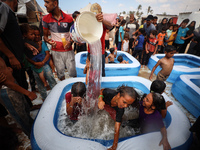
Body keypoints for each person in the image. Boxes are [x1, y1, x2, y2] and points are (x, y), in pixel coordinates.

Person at [0, 0, 38, 108]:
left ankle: (29, 107)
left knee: (23, 84)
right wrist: (11, 56)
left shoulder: (10, 12)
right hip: (11, 60)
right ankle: (24, 117)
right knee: (16, 89)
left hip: (17, 59)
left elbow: (12, 37)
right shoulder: (3, 8)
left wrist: (24, 44)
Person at [0, 57, 37, 137]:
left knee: (25, 109)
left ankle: (33, 129)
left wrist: (7, 69)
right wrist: (28, 93)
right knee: (21, 117)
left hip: (13, 85)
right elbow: (5, 82)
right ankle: (32, 135)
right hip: (7, 91)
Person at [43, 0, 76, 80]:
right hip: (56, 51)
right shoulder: (45, 19)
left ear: (55, 3)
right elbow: (45, 37)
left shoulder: (69, 18)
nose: (45, 5)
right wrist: (49, 41)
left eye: (47, 2)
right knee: (60, 74)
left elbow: (74, 34)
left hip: (68, 50)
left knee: (73, 73)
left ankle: (75, 90)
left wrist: (70, 42)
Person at [98, 85, 139, 150]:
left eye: (128, 104)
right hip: (105, 102)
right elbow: (102, 90)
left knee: (116, 119)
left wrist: (114, 146)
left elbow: (117, 128)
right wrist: (100, 100)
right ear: (118, 95)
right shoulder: (110, 93)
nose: (125, 106)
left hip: (113, 108)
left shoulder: (120, 109)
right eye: (124, 102)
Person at [31, 25, 57, 100]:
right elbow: (28, 57)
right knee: (40, 84)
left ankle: (56, 96)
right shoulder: (29, 45)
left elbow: (47, 54)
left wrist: (42, 63)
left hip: (45, 65)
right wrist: (35, 63)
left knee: (51, 79)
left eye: (38, 34)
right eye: (34, 35)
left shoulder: (42, 43)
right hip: (35, 67)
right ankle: (45, 99)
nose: (37, 36)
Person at [20, 23, 48, 88]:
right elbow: (39, 49)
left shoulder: (24, 42)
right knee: (40, 71)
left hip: (32, 60)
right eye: (32, 34)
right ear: (25, 35)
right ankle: (45, 83)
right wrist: (40, 44)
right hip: (36, 59)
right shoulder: (30, 42)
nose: (34, 36)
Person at [88, 13, 113, 77]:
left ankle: (102, 85)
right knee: (91, 70)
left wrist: (102, 20)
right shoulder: (89, 22)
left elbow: (111, 26)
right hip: (90, 51)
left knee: (101, 70)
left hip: (100, 51)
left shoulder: (102, 23)